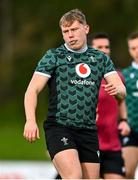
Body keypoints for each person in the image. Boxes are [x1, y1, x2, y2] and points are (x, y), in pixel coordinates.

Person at [23, 9, 126, 179]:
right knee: (73, 175)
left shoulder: (100, 59)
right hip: (60, 126)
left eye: (74, 30)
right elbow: (32, 90)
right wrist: (30, 121)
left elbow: (122, 90)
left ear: (86, 29)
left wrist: (118, 91)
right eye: (66, 31)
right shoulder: (54, 57)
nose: (70, 35)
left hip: (88, 130)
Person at [88, 32, 130, 179]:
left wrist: (124, 121)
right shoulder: (83, 77)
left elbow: (121, 101)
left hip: (112, 146)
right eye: (100, 47)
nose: (104, 50)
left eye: (107, 47)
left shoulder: (117, 76)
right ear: (91, 50)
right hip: (89, 144)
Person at [120, 32, 138, 179]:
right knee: (127, 172)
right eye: (133, 48)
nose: (136, 51)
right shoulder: (123, 75)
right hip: (132, 129)